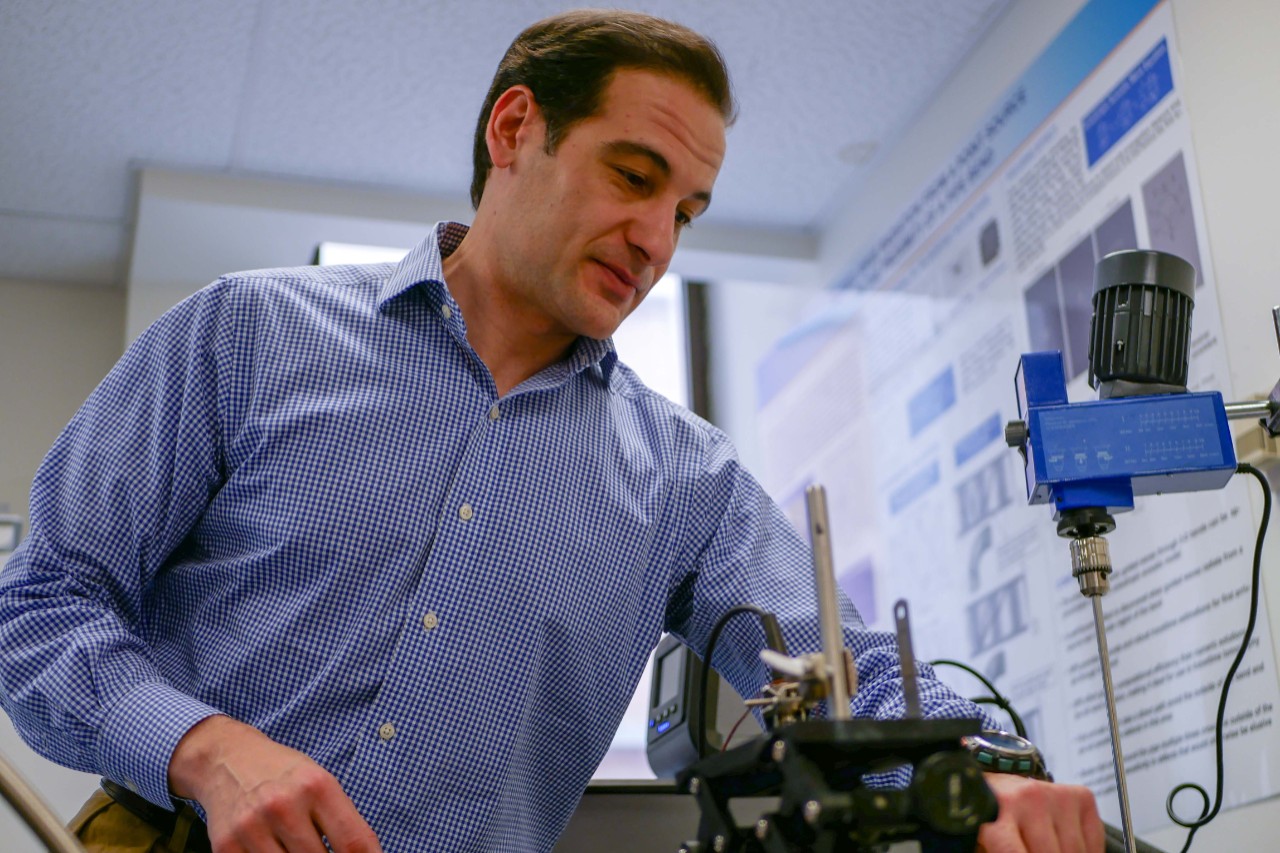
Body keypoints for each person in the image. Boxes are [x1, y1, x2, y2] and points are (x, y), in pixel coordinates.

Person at [0, 9, 1103, 853]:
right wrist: (208, 751)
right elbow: (42, 603)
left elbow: (840, 668)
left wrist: (980, 769)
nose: (656, 237)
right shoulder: (247, 333)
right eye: (633, 176)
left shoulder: (682, 480)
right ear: (515, 128)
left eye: (685, 209)